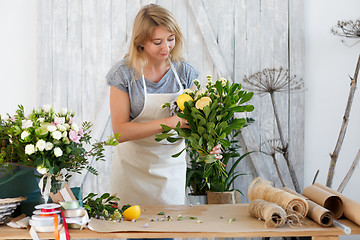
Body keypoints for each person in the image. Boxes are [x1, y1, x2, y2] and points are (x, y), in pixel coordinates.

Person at [106, 4, 221, 206]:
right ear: (140, 42)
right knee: (133, 233)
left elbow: (192, 124)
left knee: (167, 234)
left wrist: (206, 146)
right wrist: (170, 123)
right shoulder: (123, 74)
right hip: (131, 172)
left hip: (170, 174)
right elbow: (119, 132)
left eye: (171, 39)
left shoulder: (184, 73)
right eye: (157, 42)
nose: (166, 48)